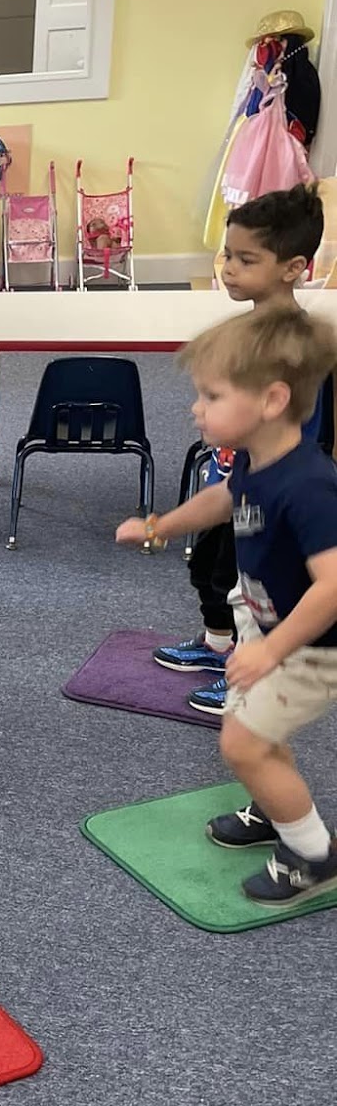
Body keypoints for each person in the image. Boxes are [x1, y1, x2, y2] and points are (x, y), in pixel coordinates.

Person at [116, 297, 337, 903]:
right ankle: (275, 808)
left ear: (272, 400)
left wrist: (271, 651)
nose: (196, 408)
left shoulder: (309, 486)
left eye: (212, 396)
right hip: (271, 630)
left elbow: (334, 586)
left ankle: (313, 855)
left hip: (314, 646)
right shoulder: (258, 461)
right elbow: (221, 500)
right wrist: (161, 525)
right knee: (255, 733)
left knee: (241, 743)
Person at [153, 183, 327, 716]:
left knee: (253, 587)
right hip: (234, 475)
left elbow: (307, 434)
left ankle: (251, 675)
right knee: (210, 568)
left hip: (269, 493)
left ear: (293, 268)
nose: (229, 269)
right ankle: (217, 647)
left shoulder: (295, 346)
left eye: (246, 260)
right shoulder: (247, 331)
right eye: (228, 255)